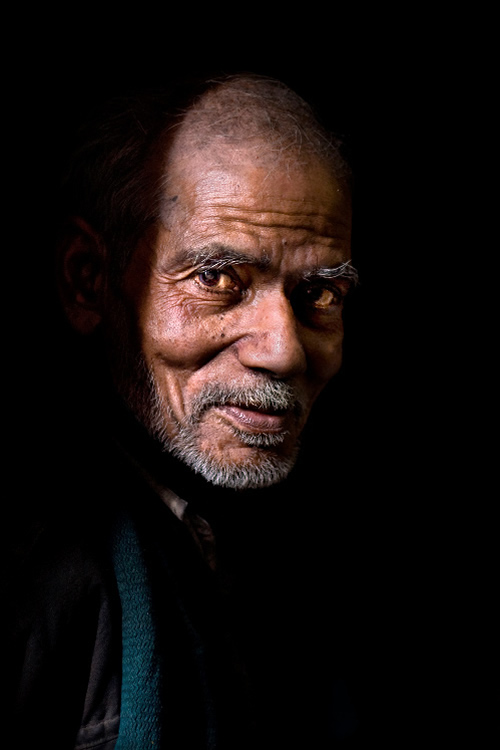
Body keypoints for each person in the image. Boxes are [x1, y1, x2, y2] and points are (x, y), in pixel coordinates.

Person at [6, 73, 362, 748]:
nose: (284, 351)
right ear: (89, 279)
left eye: (319, 294)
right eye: (217, 279)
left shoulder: (281, 549)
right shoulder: (43, 569)